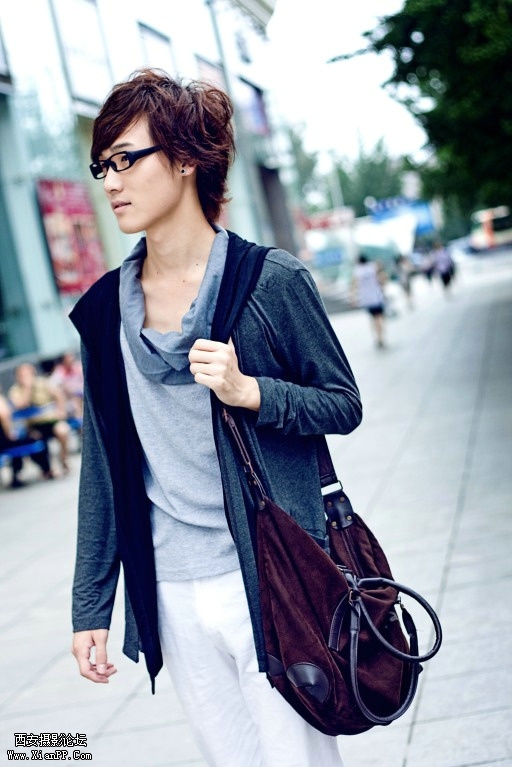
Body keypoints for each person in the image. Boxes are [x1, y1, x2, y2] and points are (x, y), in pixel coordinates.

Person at [69, 68, 362, 767]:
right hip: (171, 587)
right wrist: (90, 606)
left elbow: (342, 402)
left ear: (185, 159)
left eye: (126, 160)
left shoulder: (270, 281)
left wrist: (251, 390)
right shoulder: (104, 310)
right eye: (102, 165)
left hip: (273, 572)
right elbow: (102, 465)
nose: (110, 182)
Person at [8, 362, 71, 473]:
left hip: (51, 421)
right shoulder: (15, 390)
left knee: (63, 430)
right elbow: (22, 405)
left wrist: (61, 410)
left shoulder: (43, 383)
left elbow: (59, 395)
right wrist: (27, 388)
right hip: (32, 425)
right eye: (22, 374)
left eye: (28, 373)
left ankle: (63, 459)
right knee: (35, 440)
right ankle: (47, 468)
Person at [0, 392, 53, 488]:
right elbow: (4, 415)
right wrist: (10, 434)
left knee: (23, 441)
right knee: (34, 439)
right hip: (4, 440)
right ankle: (46, 470)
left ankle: (16, 474)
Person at [352, 254, 387, 348]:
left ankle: (377, 337)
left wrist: (353, 298)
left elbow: (355, 285)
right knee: (379, 317)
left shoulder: (357, 270)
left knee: (373, 319)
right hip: (377, 297)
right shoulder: (373, 267)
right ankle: (381, 337)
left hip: (367, 299)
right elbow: (382, 279)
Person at [50, 351, 84, 420]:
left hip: (81, 392)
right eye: (69, 358)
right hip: (69, 396)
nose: (72, 359)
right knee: (75, 400)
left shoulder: (77, 367)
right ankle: (79, 420)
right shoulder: (59, 371)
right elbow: (52, 384)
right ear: (64, 360)